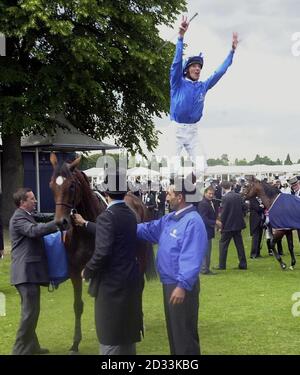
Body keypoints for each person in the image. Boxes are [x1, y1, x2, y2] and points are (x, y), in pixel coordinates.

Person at [137, 177, 207, 355]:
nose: (166, 198)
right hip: (170, 284)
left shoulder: (193, 221)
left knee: (184, 336)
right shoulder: (170, 219)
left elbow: (191, 257)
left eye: (169, 194)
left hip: (180, 286)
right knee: (175, 335)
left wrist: (182, 286)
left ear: (180, 197)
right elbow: (148, 229)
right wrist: (121, 224)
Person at [80, 169, 143, 355]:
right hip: (130, 282)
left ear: (105, 194)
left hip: (112, 286)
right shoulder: (130, 215)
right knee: (127, 338)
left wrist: (88, 270)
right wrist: (85, 223)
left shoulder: (107, 217)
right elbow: (112, 233)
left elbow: (102, 252)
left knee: (110, 338)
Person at [170, 15, 238, 171]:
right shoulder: (177, 82)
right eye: (194, 66)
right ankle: (177, 188)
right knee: (173, 169)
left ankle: (188, 190)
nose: (197, 69)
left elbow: (219, 72)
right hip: (176, 130)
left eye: (199, 67)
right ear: (187, 69)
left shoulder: (203, 86)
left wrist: (232, 52)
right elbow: (176, 64)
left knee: (202, 168)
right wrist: (180, 37)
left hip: (193, 131)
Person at [9, 188, 64, 355]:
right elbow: (33, 231)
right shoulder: (19, 218)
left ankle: (32, 348)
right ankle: (18, 351)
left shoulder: (28, 215)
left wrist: (60, 216)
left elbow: (44, 217)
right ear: (22, 202)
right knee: (29, 314)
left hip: (29, 272)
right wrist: (57, 223)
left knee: (32, 312)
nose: (36, 201)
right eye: (32, 199)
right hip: (25, 273)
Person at [216, 181, 247, 270]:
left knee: (223, 245)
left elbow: (224, 213)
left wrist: (221, 225)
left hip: (228, 226)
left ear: (223, 188)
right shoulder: (238, 196)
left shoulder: (225, 198)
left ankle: (222, 265)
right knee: (239, 245)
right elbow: (244, 207)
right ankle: (243, 264)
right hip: (238, 225)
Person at [197, 186, 222, 275]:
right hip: (204, 231)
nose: (211, 195)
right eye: (209, 193)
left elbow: (213, 215)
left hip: (208, 230)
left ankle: (204, 268)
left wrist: (216, 221)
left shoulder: (211, 202)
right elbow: (203, 219)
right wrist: (215, 222)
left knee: (207, 250)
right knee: (206, 251)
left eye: (212, 194)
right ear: (205, 193)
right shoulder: (203, 204)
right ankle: (204, 269)